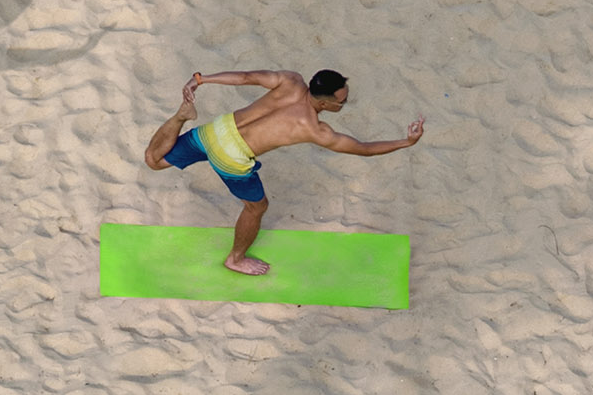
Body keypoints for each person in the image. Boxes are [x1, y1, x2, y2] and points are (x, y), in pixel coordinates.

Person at [142, 66, 423, 275]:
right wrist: (406, 142)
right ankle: (236, 259)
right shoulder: (315, 129)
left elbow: (243, 78)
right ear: (324, 104)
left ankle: (181, 117)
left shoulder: (290, 80)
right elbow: (363, 148)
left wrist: (201, 79)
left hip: (217, 130)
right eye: (342, 102)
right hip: (231, 156)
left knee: (155, 161)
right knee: (256, 207)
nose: (344, 104)